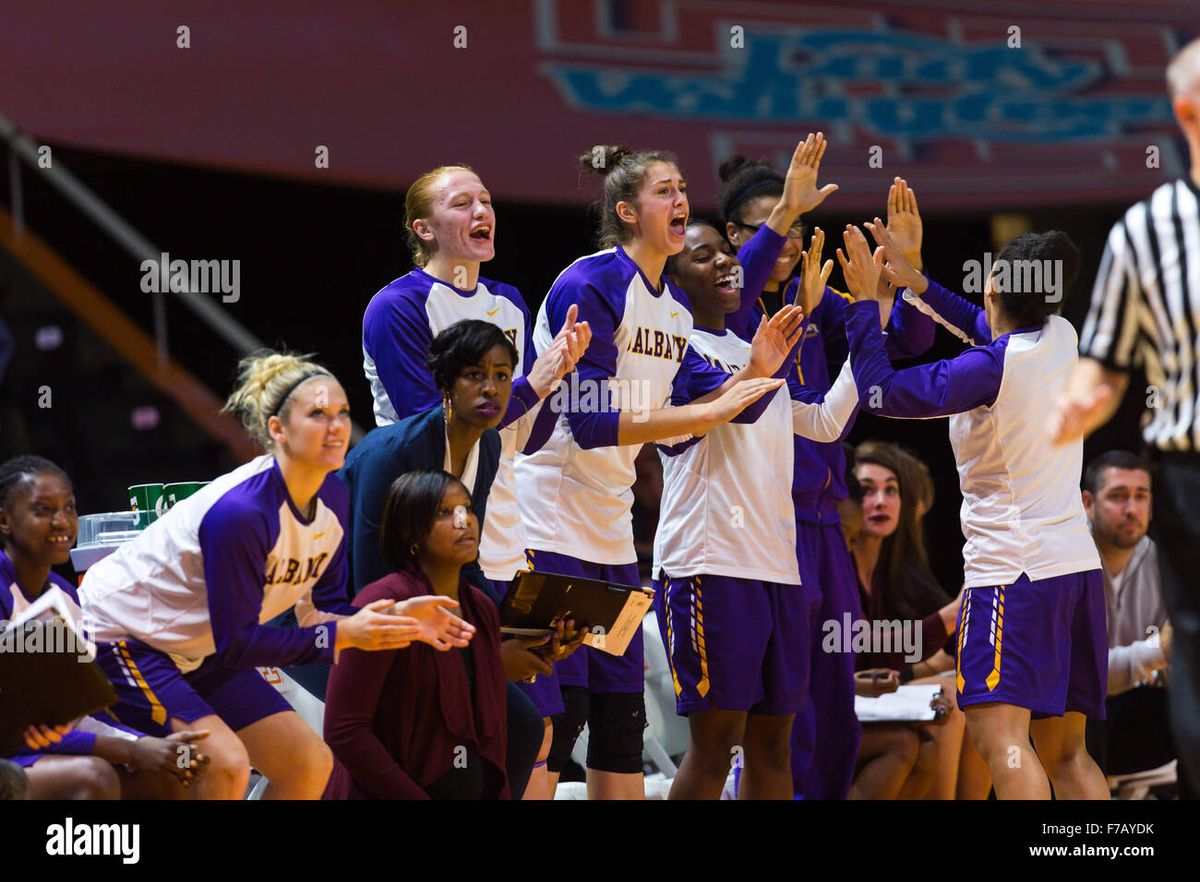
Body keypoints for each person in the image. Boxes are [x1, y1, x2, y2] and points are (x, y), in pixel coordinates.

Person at [518, 144, 803, 799]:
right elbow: (588, 423)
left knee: (620, 721)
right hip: (548, 525)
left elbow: (720, 403)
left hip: (614, 535)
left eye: (682, 190)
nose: (681, 202)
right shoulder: (589, 283)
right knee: (548, 725)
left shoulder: (674, 313)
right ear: (626, 212)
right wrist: (717, 403)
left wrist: (755, 373)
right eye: (664, 193)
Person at [77, 353, 474, 799]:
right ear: (277, 430)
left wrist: (394, 618)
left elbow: (320, 612)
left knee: (308, 762)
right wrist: (347, 635)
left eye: (342, 412)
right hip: (122, 634)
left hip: (199, 646)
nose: (337, 426)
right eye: (318, 414)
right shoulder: (241, 514)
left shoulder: (334, 499)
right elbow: (240, 644)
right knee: (224, 763)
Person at [846, 220, 1109, 799]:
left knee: (1001, 740)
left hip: (1013, 575)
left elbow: (878, 392)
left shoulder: (991, 370)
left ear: (995, 287)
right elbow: (981, 323)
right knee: (1068, 754)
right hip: (1074, 571)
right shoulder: (1061, 334)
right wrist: (917, 283)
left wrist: (869, 304)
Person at [361, 164, 590, 799]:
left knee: (540, 730)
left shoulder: (511, 303)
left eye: (486, 199)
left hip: (503, 524)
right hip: (421, 529)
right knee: (449, 731)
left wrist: (553, 391)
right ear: (425, 229)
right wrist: (534, 383)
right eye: (461, 203)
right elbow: (432, 426)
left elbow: (519, 433)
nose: (481, 210)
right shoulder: (398, 306)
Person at [653, 206, 859, 799]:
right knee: (716, 744)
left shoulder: (752, 345)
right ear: (673, 279)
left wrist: (866, 322)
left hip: (777, 565)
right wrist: (757, 366)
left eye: (726, 249)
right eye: (702, 254)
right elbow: (698, 420)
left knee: (774, 743)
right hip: (708, 565)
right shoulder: (671, 347)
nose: (723, 260)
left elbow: (821, 422)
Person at [1047, 37, 1200, 794]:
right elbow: (1105, 361)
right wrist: (1082, 401)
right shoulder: (1148, 229)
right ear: (1188, 115)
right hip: (1190, 475)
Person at [341, 320, 580, 797]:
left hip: (412, 617)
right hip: (336, 619)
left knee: (523, 724)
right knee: (449, 728)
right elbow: (368, 588)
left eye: (502, 373)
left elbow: (465, 567)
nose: (491, 387)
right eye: (474, 374)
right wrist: (486, 657)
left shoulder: (487, 446)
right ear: (446, 383)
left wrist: (521, 629)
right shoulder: (393, 455)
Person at [0, 455, 210, 799]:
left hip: (32, 746)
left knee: (172, 775)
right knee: (93, 777)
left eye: (69, 508)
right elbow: (14, 722)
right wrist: (128, 750)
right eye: (43, 510)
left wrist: (143, 745)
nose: (61, 522)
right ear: (4, 520)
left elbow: (75, 713)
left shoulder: (64, 596)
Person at [325, 471, 510, 799]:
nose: (463, 520)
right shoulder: (383, 602)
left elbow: (491, 731)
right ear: (411, 534)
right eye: (443, 512)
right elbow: (345, 730)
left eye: (467, 508)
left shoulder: (481, 607)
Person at [846, 442, 981, 801]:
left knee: (969, 687)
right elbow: (866, 646)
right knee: (947, 698)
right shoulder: (835, 563)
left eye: (891, 490)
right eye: (867, 490)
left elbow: (954, 648)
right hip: (832, 706)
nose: (880, 501)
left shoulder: (896, 567)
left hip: (873, 701)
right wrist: (952, 615)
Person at [1081, 450, 1176, 780]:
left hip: (1142, 717)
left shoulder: (1168, 563)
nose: (1131, 509)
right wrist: (1157, 653)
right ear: (1087, 504)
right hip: (1074, 718)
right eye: (1118, 496)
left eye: (1141, 496)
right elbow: (1075, 677)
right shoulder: (1063, 564)